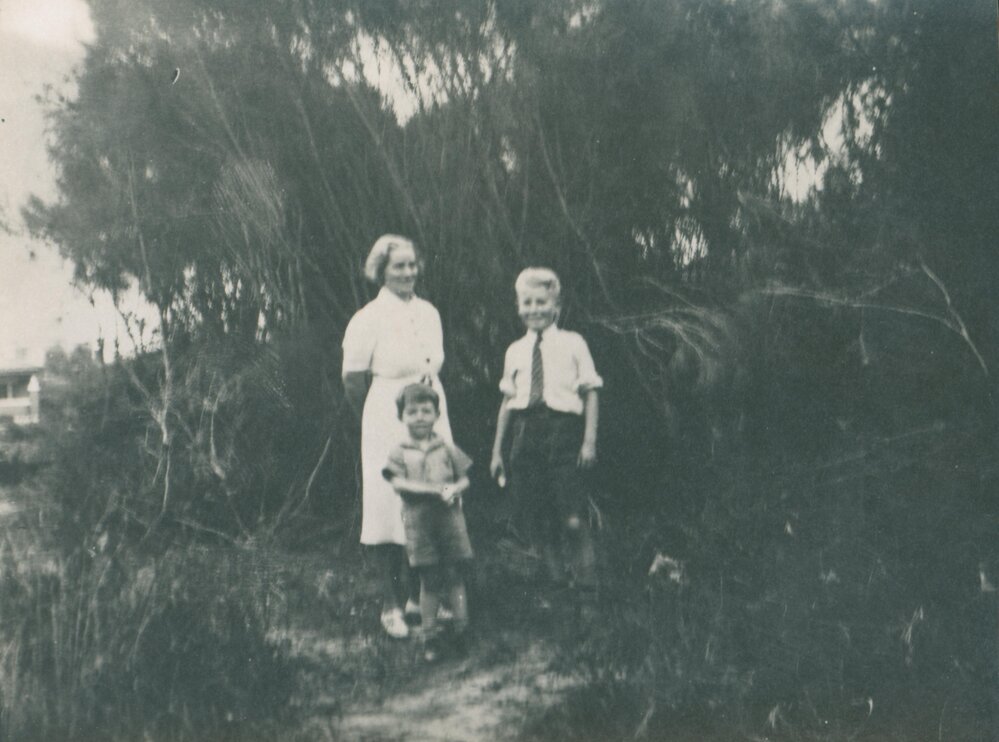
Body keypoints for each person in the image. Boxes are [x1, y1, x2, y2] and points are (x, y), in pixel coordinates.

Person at [342, 234, 454, 639]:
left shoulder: (429, 313)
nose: (407, 273)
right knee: (388, 507)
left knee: (429, 501)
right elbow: (353, 380)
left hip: (431, 411)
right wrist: (379, 417)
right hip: (386, 418)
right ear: (380, 272)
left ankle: (418, 596)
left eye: (411, 265)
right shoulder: (367, 318)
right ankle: (389, 604)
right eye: (398, 266)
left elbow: (433, 363)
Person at [489, 267, 602, 605]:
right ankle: (557, 585)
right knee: (540, 516)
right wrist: (497, 451)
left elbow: (591, 392)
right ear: (518, 305)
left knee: (571, 516)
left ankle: (587, 588)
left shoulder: (573, 343)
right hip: (526, 435)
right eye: (527, 302)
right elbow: (508, 402)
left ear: (556, 306)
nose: (534, 309)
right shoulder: (514, 351)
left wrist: (589, 440)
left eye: (542, 302)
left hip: (564, 433)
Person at [383, 383, 473, 661]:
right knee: (429, 579)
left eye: (426, 411)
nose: (420, 417)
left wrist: (455, 489)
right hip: (419, 525)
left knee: (455, 575)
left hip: (450, 521)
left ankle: (462, 632)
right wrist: (435, 490)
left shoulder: (445, 447)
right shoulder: (399, 451)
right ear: (402, 417)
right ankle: (430, 637)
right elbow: (398, 483)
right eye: (412, 412)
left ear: (436, 415)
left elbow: (464, 478)